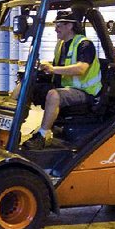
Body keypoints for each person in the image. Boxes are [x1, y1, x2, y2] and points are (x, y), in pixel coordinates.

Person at [22, 10, 102, 150]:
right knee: (26, 86)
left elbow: (80, 69)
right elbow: (60, 67)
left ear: (69, 26)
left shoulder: (85, 45)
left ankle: (43, 135)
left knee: (53, 95)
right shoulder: (61, 44)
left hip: (84, 92)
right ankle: (8, 128)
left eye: (59, 25)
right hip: (67, 88)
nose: (55, 29)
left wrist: (53, 69)